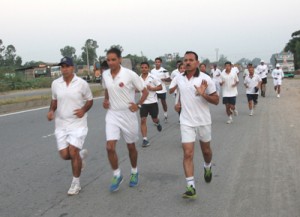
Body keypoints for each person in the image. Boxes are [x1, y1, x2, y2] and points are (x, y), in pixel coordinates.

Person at [169, 51, 219, 199]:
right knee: (188, 153)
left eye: (191, 60)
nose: (188, 62)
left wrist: (203, 94)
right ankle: (191, 187)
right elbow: (177, 92)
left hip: (203, 121)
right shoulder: (179, 78)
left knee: (206, 151)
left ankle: (207, 166)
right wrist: (177, 104)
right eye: (185, 60)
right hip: (186, 121)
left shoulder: (205, 79)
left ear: (197, 63)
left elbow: (216, 100)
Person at [102, 48, 148, 192]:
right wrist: (106, 100)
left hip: (128, 114)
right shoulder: (105, 74)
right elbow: (107, 89)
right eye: (108, 60)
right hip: (113, 114)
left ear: (120, 59)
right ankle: (117, 174)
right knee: (109, 147)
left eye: (113, 59)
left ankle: (134, 171)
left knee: (131, 147)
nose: (110, 62)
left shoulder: (130, 74)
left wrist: (138, 104)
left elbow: (144, 91)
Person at [47, 56, 93, 195]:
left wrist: (83, 110)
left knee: (72, 151)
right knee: (65, 155)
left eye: (67, 66)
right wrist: (51, 111)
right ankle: (80, 157)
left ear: (72, 68)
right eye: (62, 66)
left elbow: (90, 100)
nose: (64, 69)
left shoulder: (81, 83)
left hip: (78, 124)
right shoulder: (55, 84)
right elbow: (54, 100)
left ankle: (76, 183)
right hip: (61, 125)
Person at [139, 62, 163, 147]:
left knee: (154, 119)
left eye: (145, 67)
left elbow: (160, 87)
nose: (144, 69)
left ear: (148, 68)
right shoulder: (138, 78)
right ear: (140, 68)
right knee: (143, 120)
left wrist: (152, 88)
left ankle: (157, 123)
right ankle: (145, 139)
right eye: (142, 67)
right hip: (143, 103)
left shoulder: (153, 77)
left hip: (153, 102)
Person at [151, 57, 171, 122]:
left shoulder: (164, 70)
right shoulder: (152, 71)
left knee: (163, 103)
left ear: (161, 63)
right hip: (155, 89)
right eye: (156, 62)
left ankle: (165, 115)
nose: (157, 63)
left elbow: (169, 79)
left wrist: (164, 79)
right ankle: (156, 117)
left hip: (162, 89)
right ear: (155, 63)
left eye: (158, 62)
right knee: (155, 104)